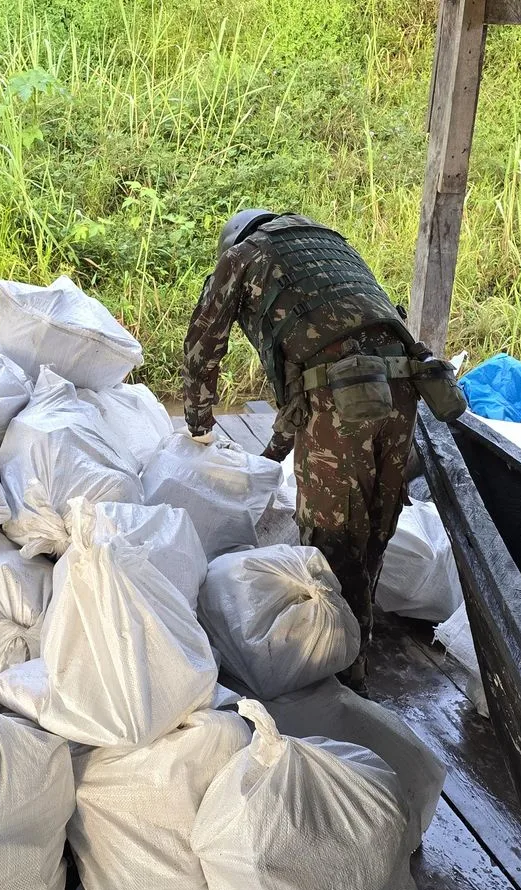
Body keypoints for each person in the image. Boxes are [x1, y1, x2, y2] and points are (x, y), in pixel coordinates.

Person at [182, 210, 435, 693]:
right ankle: (357, 642)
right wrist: (270, 459)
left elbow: (202, 346)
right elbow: (306, 393)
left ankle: (338, 672)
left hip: (344, 396)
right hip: (404, 387)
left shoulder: (242, 257)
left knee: (332, 530)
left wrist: (197, 429)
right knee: (376, 522)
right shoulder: (329, 245)